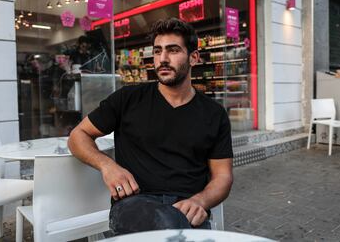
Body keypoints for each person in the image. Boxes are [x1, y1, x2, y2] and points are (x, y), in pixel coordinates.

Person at [68, 18, 233, 235]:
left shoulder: (214, 114)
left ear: (193, 58)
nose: (162, 59)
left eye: (173, 50)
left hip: (186, 207)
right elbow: (77, 136)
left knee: (174, 226)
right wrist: (108, 166)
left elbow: (223, 177)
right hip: (134, 204)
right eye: (157, 51)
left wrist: (200, 201)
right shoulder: (128, 99)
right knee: (171, 228)